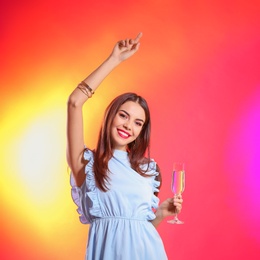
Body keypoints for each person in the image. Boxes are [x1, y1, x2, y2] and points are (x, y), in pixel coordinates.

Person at [67, 32, 183, 260]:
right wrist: (114, 60)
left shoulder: (147, 170)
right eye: (123, 115)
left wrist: (159, 214)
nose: (128, 125)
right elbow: (74, 102)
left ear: (141, 131)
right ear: (111, 116)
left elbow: (139, 232)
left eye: (137, 123)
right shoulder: (86, 164)